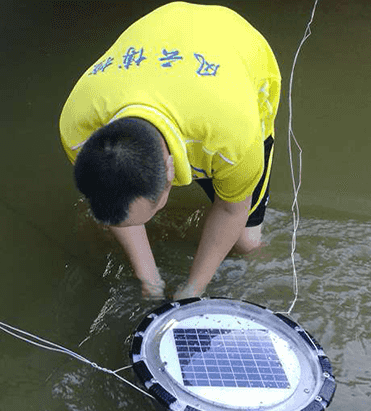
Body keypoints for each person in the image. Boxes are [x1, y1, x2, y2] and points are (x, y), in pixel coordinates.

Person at [59, 1, 281, 300]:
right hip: (162, 32)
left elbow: (231, 209)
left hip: (236, 45)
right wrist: (149, 278)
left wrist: (194, 287)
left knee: (245, 241)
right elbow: (116, 202)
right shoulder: (78, 130)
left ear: (170, 172)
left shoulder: (234, 139)